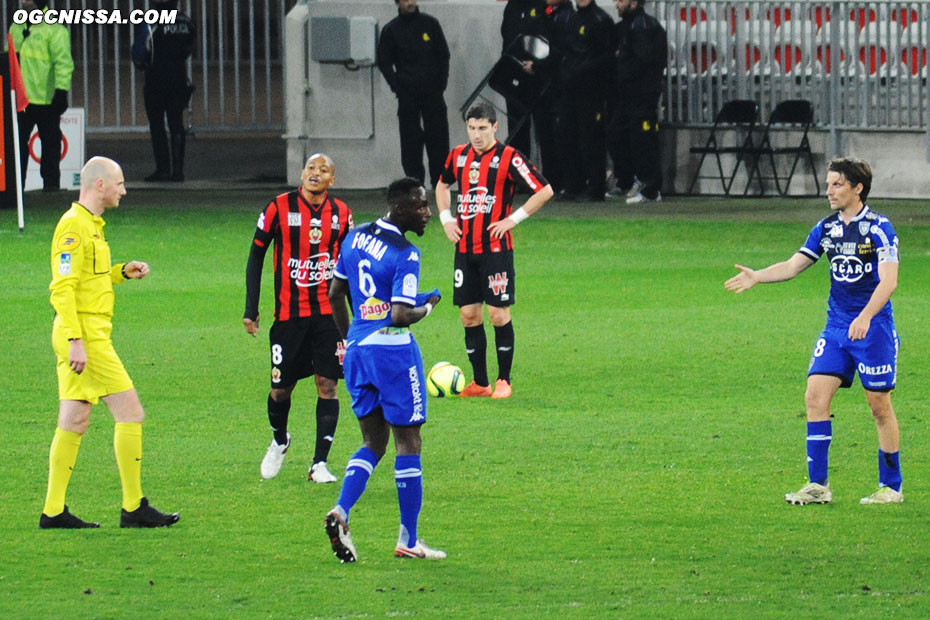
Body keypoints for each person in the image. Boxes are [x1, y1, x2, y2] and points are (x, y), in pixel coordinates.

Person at [725, 157, 904, 506]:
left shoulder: (880, 228)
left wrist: (866, 316)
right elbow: (795, 265)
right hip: (837, 328)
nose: (829, 191)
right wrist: (758, 275)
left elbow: (890, 280)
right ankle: (817, 486)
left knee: (878, 406)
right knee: (814, 397)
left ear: (858, 188)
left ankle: (891, 486)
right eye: (828, 185)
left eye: (837, 184)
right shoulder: (827, 229)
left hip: (873, 328)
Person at [41, 156, 179, 529]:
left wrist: (121, 273)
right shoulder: (73, 228)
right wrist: (75, 341)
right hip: (85, 336)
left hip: (83, 333)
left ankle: (53, 511)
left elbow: (88, 279)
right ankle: (133, 507)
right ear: (99, 185)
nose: (124, 190)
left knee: (74, 418)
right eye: (119, 183)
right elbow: (62, 288)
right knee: (131, 413)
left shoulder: (90, 226)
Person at [324, 177, 445, 563]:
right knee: (408, 442)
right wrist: (429, 306)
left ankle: (341, 512)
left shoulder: (355, 236)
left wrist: (351, 343)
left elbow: (335, 294)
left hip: (358, 350)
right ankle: (409, 540)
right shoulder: (406, 253)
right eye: (421, 206)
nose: (428, 213)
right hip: (393, 352)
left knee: (373, 441)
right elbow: (400, 314)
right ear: (399, 207)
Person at [244, 153, 353, 484]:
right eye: (310, 168)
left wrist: (357, 315)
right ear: (301, 174)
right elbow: (256, 254)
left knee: (328, 385)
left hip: (327, 315)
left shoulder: (342, 214)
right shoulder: (278, 207)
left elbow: (348, 267)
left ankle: (319, 463)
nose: (315, 174)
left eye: (323, 171)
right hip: (289, 316)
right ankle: (280, 440)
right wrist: (251, 307)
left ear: (331, 181)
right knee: (281, 389)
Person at [435, 102, 554, 399]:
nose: (476, 135)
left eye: (482, 129)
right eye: (472, 128)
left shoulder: (509, 158)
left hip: (496, 250)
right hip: (464, 249)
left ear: (495, 127)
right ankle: (480, 382)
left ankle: (504, 380)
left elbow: (544, 190)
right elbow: (441, 186)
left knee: (498, 314)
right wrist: (446, 219)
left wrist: (512, 219)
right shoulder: (457, 156)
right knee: (468, 314)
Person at [376, 0, 450, 189]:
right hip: (407, 96)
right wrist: (397, 87)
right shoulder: (391, 30)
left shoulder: (430, 24)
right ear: (397, 2)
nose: (409, 2)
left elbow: (443, 55)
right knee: (410, 141)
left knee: (438, 138)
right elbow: (384, 62)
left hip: (433, 94)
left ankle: (440, 182)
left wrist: (441, 84)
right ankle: (415, 183)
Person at [8, 0, 74, 191]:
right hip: (21, 99)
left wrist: (61, 91)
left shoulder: (54, 29)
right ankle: (16, 189)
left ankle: (51, 188)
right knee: (17, 146)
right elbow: (9, 59)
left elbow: (63, 63)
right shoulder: (17, 25)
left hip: (46, 99)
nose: (23, 1)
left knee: (51, 144)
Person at [605, 0, 667, 204]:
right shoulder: (626, 27)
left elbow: (642, 61)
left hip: (643, 94)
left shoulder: (645, 26)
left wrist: (622, 57)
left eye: (621, 0)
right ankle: (628, 180)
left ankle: (651, 189)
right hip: (627, 94)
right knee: (616, 133)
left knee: (644, 140)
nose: (616, 4)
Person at [555, 0, 614, 202]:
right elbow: (566, 51)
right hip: (570, 90)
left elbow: (607, 58)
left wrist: (583, 71)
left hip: (591, 91)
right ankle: (573, 185)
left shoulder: (600, 20)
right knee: (567, 137)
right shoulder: (571, 18)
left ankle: (596, 187)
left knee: (591, 139)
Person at [132, 0, 195, 182]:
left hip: (156, 79)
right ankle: (178, 171)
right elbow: (189, 46)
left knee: (157, 124)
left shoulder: (151, 20)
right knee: (176, 123)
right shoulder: (185, 21)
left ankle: (163, 169)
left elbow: (139, 52)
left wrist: (143, 64)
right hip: (179, 77)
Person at [518, 0, 575, 194]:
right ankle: (552, 181)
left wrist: (538, 65)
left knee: (562, 135)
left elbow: (560, 52)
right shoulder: (542, 13)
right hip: (541, 85)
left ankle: (569, 181)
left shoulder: (568, 17)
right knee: (545, 136)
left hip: (559, 86)